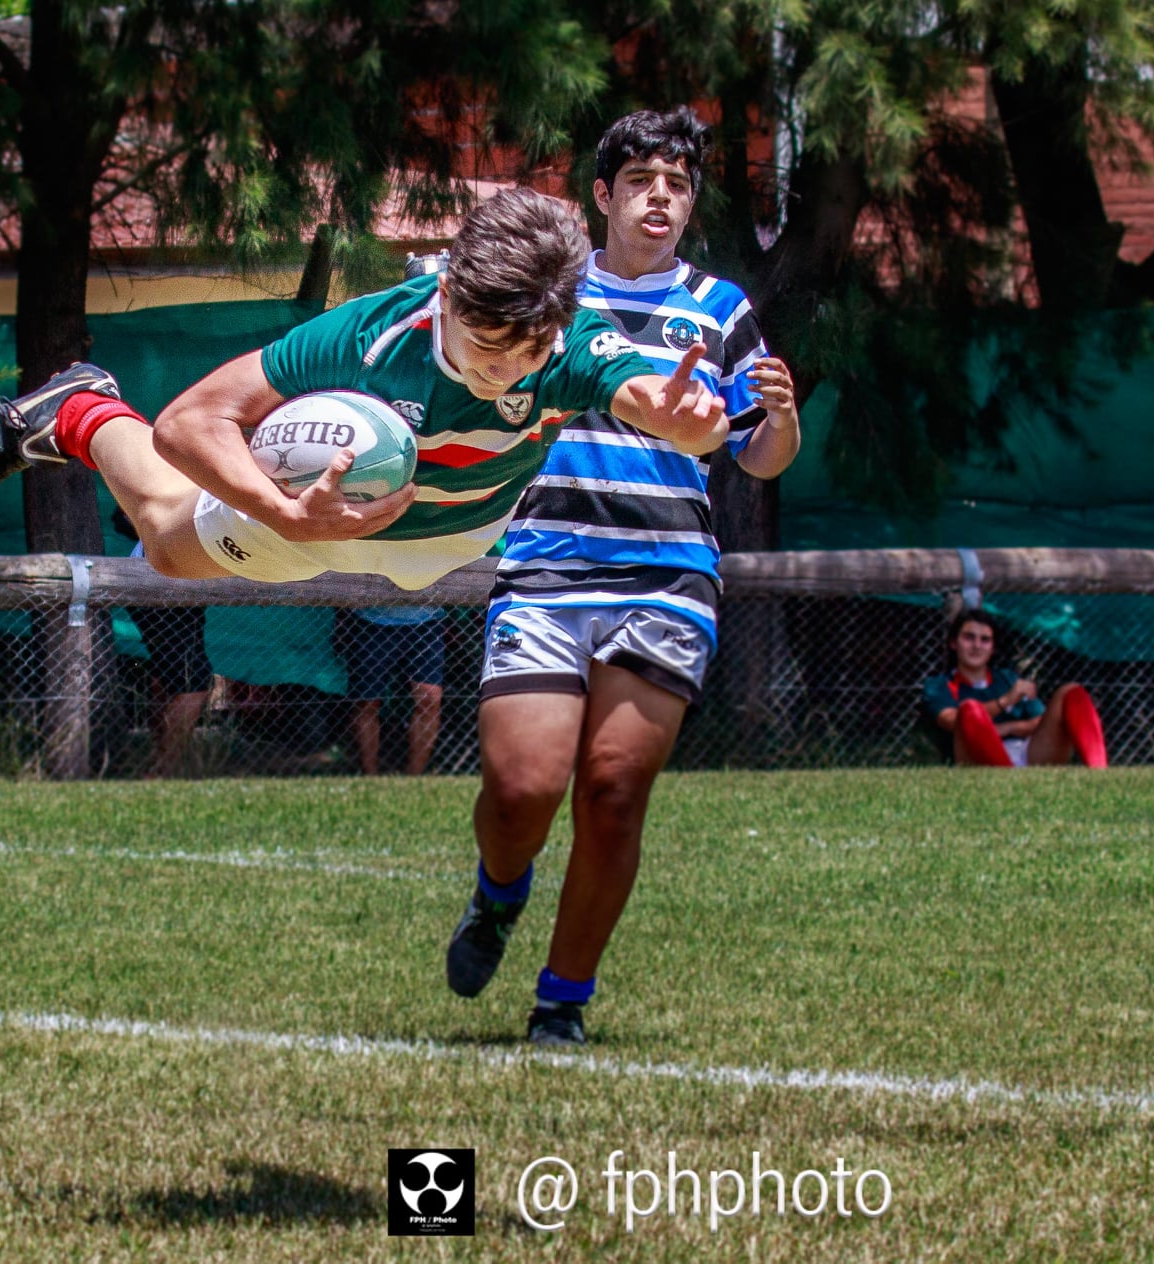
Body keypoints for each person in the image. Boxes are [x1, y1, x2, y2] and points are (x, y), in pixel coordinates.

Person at [441, 109, 802, 1048]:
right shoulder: (549, 298)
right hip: (544, 568)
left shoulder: (722, 310)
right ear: (601, 196)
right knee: (522, 789)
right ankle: (496, 894)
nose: (661, 199)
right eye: (641, 180)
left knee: (611, 789)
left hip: (667, 575)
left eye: (678, 186)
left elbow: (759, 458)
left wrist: (783, 420)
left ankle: (562, 1000)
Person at [0, 188, 728, 595]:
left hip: (452, 539)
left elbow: (653, 398)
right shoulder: (368, 336)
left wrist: (682, 422)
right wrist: (284, 509)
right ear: (447, 294)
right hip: (317, 521)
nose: (504, 370)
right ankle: (79, 410)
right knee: (164, 544)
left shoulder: (569, 339)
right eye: (487, 346)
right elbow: (188, 423)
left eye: (526, 352)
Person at [921, 608, 1107, 768]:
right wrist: (1005, 702)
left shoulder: (1008, 678)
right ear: (954, 643)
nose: (977, 646)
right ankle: (1007, 779)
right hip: (977, 759)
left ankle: (1099, 772)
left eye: (985, 640)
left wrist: (1009, 728)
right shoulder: (939, 684)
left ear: (993, 648)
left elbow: (1039, 720)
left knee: (1071, 691)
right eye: (969, 638)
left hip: (1028, 752)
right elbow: (952, 721)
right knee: (970, 708)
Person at [113, 508, 213, 777]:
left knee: (169, 676)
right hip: (162, 581)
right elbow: (122, 515)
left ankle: (161, 758)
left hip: (167, 579)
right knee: (194, 682)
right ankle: (165, 770)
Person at [344, 605, 446, 775]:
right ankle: (370, 778)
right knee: (367, 703)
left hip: (428, 620)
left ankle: (415, 778)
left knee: (429, 699)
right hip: (372, 620)